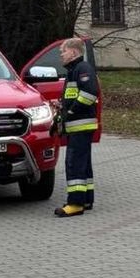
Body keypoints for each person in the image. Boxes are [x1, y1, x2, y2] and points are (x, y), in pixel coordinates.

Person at [54, 38, 99, 217]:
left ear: (73, 52)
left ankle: (75, 203)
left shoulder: (82, 69)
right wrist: (62, 106)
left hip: (80, 126)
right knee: (83, 164)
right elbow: (75, 94)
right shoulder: (74, 71)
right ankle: (86, 199)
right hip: (77, 127)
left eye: (63, 52)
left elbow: (89, 93)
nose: (61, 56)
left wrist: (71, 112)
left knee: (74, 164)